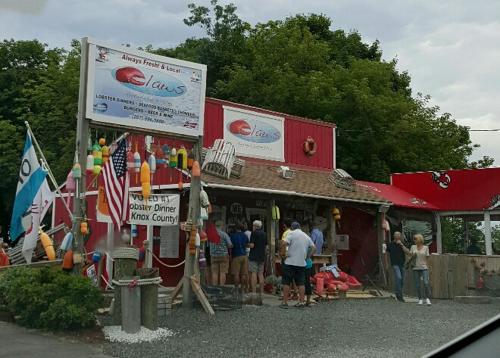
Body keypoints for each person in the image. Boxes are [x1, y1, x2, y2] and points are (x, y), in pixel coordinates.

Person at [280, 221, 315, 309]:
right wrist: (307, 257)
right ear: (300, 227)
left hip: (290, 262)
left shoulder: (291, 233)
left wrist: (283, 254)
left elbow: (284, 243)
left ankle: (284, 302)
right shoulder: (306, 236)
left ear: (292, 228)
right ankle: (301, 302)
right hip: (301, 263)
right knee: (301, 283)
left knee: (286, 282)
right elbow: (314, 248)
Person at [385, 231, 410, 302]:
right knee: (399, 277)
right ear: (394, 236)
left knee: (402, 280)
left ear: (400, 236)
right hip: (394, 264)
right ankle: (400, 295)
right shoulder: (390, 244)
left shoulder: (402, 244)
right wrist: (386, 263)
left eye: (399, 235)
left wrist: (401, 245)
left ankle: (397, 293)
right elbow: (386, 254)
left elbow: (408, 252)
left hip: (402, 264)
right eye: (396, 235)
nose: (397, 236)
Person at [209, 221, 233, 286]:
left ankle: (215, 287)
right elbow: (230, 245)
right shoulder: (224, 234)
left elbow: (208, 245)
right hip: (223, 255)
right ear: (221, 226)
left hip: (213, 255)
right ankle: (222, 287)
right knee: (223, 272)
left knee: (214, 273)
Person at [410, 234, 431, 305]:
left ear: (419, 239)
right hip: (415, 268)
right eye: (414, 239)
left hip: (424, 268)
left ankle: (427, 298)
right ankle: (420, 299)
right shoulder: (413, 247)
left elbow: (427, 258)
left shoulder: (426, 247)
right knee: (417, 285)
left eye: (415, 239)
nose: (414, 240)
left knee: (426, 283)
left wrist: (428, 268)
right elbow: (410, 256)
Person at [249, 220, 268, 298]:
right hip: (262, 256)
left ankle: (254, 292)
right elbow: (266, 247)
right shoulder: (264, 233)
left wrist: (247, 245)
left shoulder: (253, 233)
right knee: (260, 274)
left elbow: (252, 245)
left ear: (255, 226)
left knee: (254, 273)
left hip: (254, 256)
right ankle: (262, 292)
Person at [230, 223, 249, 292]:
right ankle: (242, 288)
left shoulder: (232, 236)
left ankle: (236, 288)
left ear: (236, 228)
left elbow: (230, 245)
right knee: (243, 273)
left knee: (236, 273)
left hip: (236, 256)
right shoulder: (245, 235)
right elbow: (247, 244)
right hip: (244, 255)